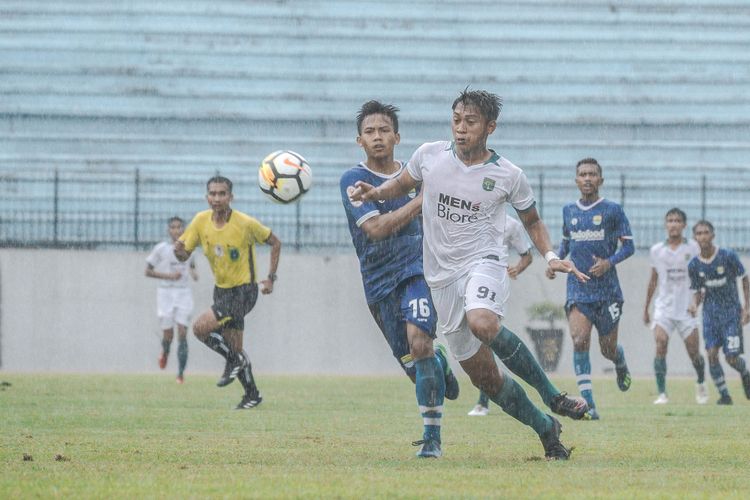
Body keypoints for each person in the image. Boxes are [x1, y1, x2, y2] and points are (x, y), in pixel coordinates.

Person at [350, 89, 589, 460]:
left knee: (483, 322)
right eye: (457, 120)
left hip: (484, 262)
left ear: (489, 127)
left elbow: (533, 220)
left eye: (471, 122)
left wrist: (551, 254)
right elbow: (401, 185)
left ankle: (553, 396)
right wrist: (375, 191)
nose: (461, 129)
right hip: (440, 277)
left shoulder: (509, 174)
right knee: (485, 379)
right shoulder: (429, 155)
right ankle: (546, 428)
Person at [340, 100, 460, 458]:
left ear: (397, 136)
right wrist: (422, 200)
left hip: (417, 272)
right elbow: (377, 229)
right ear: (359, 140)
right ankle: (438, 362)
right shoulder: (353, 181)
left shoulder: (418, 175)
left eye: (384, 130)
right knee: (415, 363)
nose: (377, 137)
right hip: (378, 283)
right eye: (370, 132)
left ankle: (432, 439)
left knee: (418, 343)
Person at [174, 176, 281, 410]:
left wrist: (271, 278)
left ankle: (234, 360)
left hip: (244, 292)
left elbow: (275, 242)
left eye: (222, 194)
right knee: (235, 345)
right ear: (206, 197)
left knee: (200, 328)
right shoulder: (201, 221)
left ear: (231, 197)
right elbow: (184, 255)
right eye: (212, 194)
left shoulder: (245, 223)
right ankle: (252, 395)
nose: (217, 198)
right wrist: (178, 252)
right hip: (221, 291)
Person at [546, 158, 634, 420]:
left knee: (607, 349)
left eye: (592, 174)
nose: (587, 178)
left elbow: (629, 246)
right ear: (576, 180)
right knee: (579, 340)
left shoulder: (612, 210)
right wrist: (555, 262)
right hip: (579, 287)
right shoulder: (568, 211)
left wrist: (609, 262)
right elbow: (565, 245)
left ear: (600, 180)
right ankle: (588, 403)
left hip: (607, 291)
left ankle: (619, 361)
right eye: (582, 174)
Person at [468, 214, 532, 416]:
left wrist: (517, 269)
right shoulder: (472, 215)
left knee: (486, 337)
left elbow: (527, 255)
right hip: (467, 277)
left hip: (493, 282)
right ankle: (490, 392)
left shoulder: (511, 224)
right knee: (473, 338)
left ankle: (483, 401)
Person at [643, 208, 708, 404]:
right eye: (670, 220)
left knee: (694, 352)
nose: (673, 224)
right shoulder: (657, 250)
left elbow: (701, 280)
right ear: (665, 224)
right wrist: (646, 308)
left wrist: (696, 303)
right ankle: (662, 393)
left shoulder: (694, 248)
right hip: (664, 307)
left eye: (677, 220)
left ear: (684, 225)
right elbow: (653, 280)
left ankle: (701, 383)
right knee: (661, 343)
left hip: (687, 308)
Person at [688, 220, 750, 405]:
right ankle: (724, 395)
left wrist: (747, 307)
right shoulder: (694, 265)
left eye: (706, 232)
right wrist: (693, 305)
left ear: (713, 235)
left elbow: (744, 279)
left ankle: (745, 373)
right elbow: (698, 292)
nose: (702, 236)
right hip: (710, 316)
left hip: (731, 315)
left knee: (731, 358)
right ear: (695, 238)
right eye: (699, 233)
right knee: (711, 354)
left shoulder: (727, 256)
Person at [145, 216, 198, 383]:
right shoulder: (161, 249)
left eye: (179, 227)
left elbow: (192, 267)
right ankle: (165, 351)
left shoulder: (190, 248)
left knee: (182, 332)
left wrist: (194, 273)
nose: (176, 230)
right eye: (173, 227)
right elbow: (147, 271)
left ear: (184, 230)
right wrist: (168, 276)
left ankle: (180, 374)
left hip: (183, 293)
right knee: (168, 333)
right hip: (165, 293)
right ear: (169, 230)